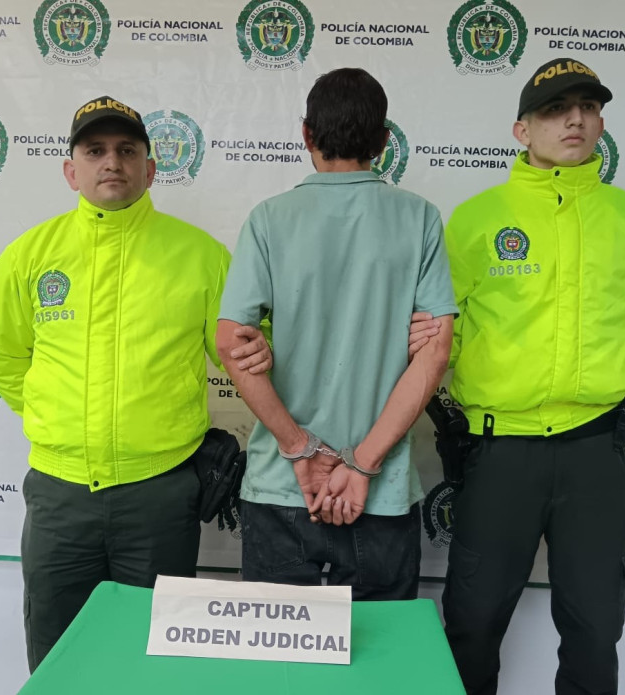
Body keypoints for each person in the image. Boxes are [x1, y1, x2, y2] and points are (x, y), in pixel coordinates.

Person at [0, 96, 272, 671]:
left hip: (160, 494)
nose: (112, 162)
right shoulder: (30, 255)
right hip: (60, 495)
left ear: (150, 169)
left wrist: (269, 344)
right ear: (71, 170)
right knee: (59, 657)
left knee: (152, 660)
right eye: (95, 150)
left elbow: (243, 355)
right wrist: (49, 414)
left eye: (128, 150)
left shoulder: (202, 256)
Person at [431, 58, 625, 694]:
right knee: (472, 623)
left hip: (595, 452)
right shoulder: (476, 220)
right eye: (555, 109)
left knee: (595, 627)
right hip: (499, 451)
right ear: (522, 130)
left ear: (601, 125)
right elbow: (443, 339)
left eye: (588, 108)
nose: (575, 120)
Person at [215, 68, 456, 600]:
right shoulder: (419, 218)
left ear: (306, 134)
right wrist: (362, 463)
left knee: (277, 653)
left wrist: (299, 448)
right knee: (380, 652)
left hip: (283, 484)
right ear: (384, 141)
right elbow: (435, 354)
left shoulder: (268, 219)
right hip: (380, 489)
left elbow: (231, 344)